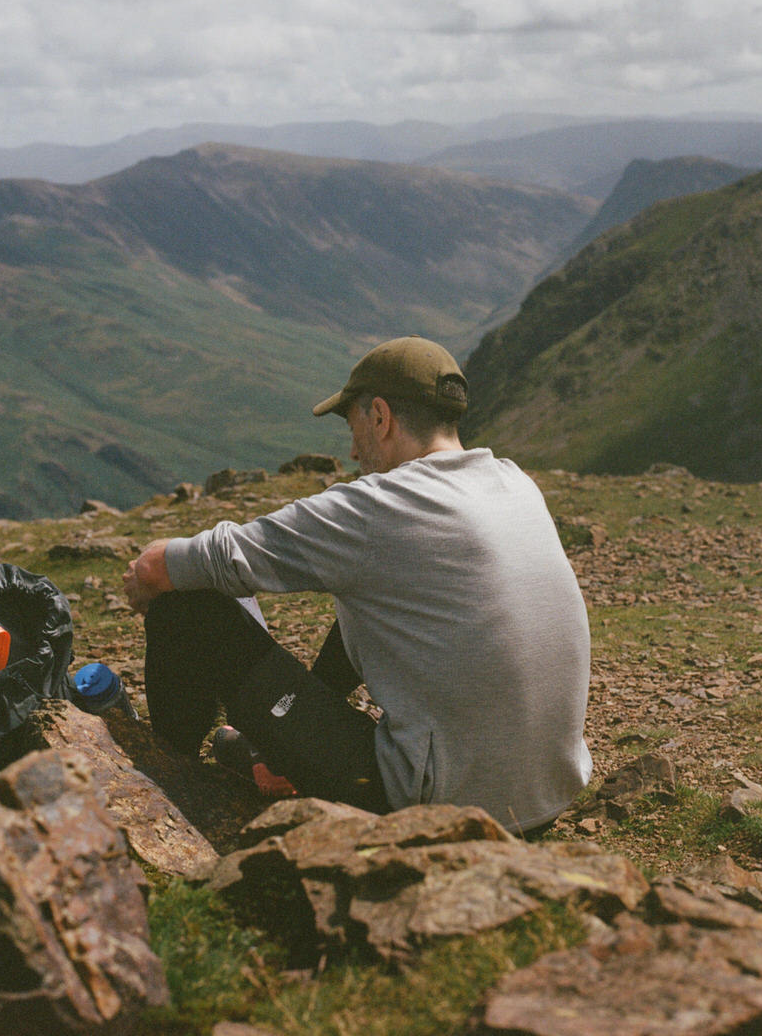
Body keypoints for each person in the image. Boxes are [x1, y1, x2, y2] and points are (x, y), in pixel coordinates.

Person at [122, 335, 592, 835]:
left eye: (354, 428)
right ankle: (266, 751)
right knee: (369, 602)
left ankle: (169, 784)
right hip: (544, 797)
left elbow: (201, 560)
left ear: (381, 417)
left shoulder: (380, 506)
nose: (351, 450)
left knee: (187, 602)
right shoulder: (514, 482)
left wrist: (148, 575)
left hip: (443, 808)